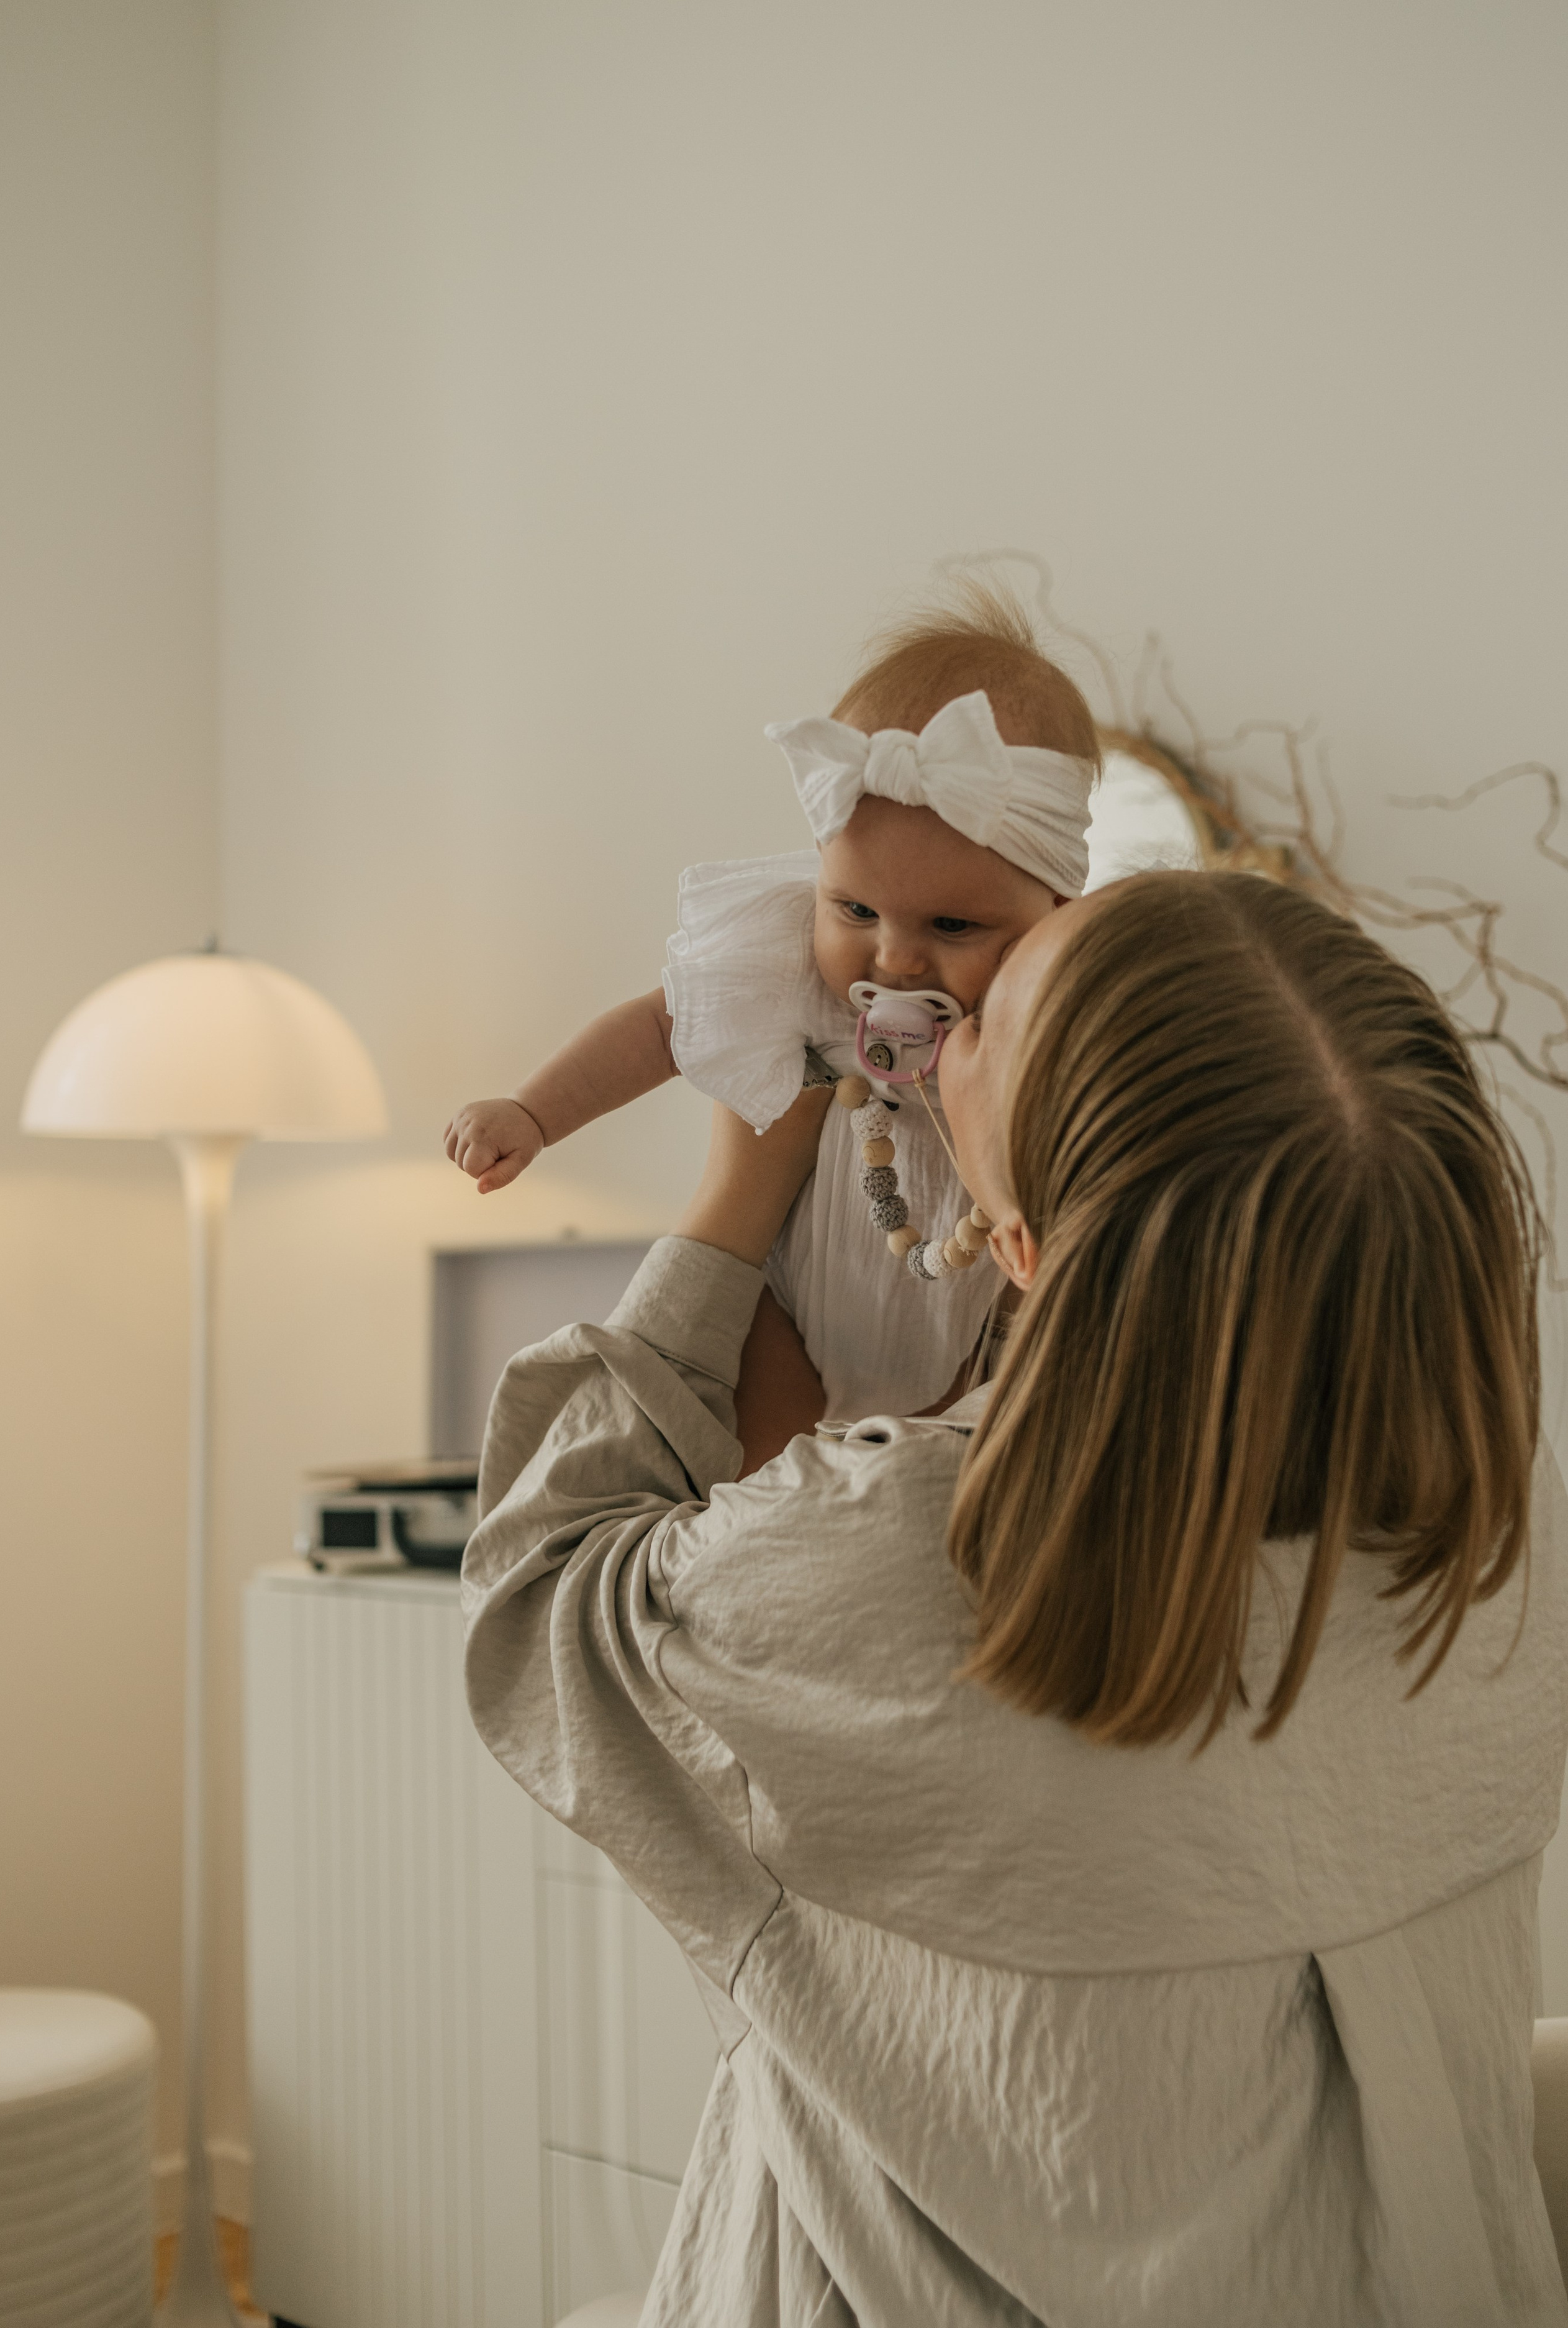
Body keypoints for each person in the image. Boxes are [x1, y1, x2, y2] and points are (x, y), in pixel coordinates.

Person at [461, 869, 1568, 2327]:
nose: (942, 1020)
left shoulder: (894, 1557)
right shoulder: (1492, 1550)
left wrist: (736, 1201)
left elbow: (539, 1596)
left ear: (1026, 1253)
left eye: (989, 1028)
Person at [443, 586, 1099, 1447]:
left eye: (951, 927)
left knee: (957, 1455)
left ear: (1054, 907)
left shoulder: (1058, 1009)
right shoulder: (790, 962)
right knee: (760, 1462)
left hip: (976, 1322)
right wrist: (535, 1112)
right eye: (856, 911)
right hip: (791, 1303)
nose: (893, 958)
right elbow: (658, 1028)